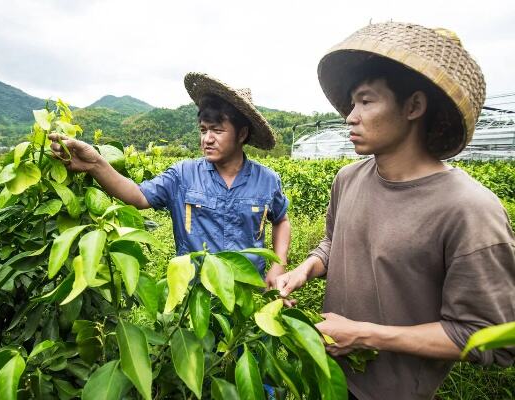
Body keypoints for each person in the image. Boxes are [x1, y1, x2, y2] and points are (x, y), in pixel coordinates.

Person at [274, 22, 515, 400]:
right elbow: (334, 243)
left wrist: (364, 334)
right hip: (327, 373)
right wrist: (305, 269)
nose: (350, 116)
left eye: (367, 101)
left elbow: (489, 338)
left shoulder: (469, 210)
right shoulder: (348, 179)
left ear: (414, 106)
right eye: (352, 103)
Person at [49, 72, 290, 286]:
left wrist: (278, 264)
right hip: (194, 296)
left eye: (217, 130)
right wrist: (95, 163)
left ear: (242, 134)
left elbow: (281, 220)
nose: (207, 138)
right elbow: (138, 196)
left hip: (247, 293)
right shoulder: (183, 174)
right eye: (203, 129)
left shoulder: (266, 180)